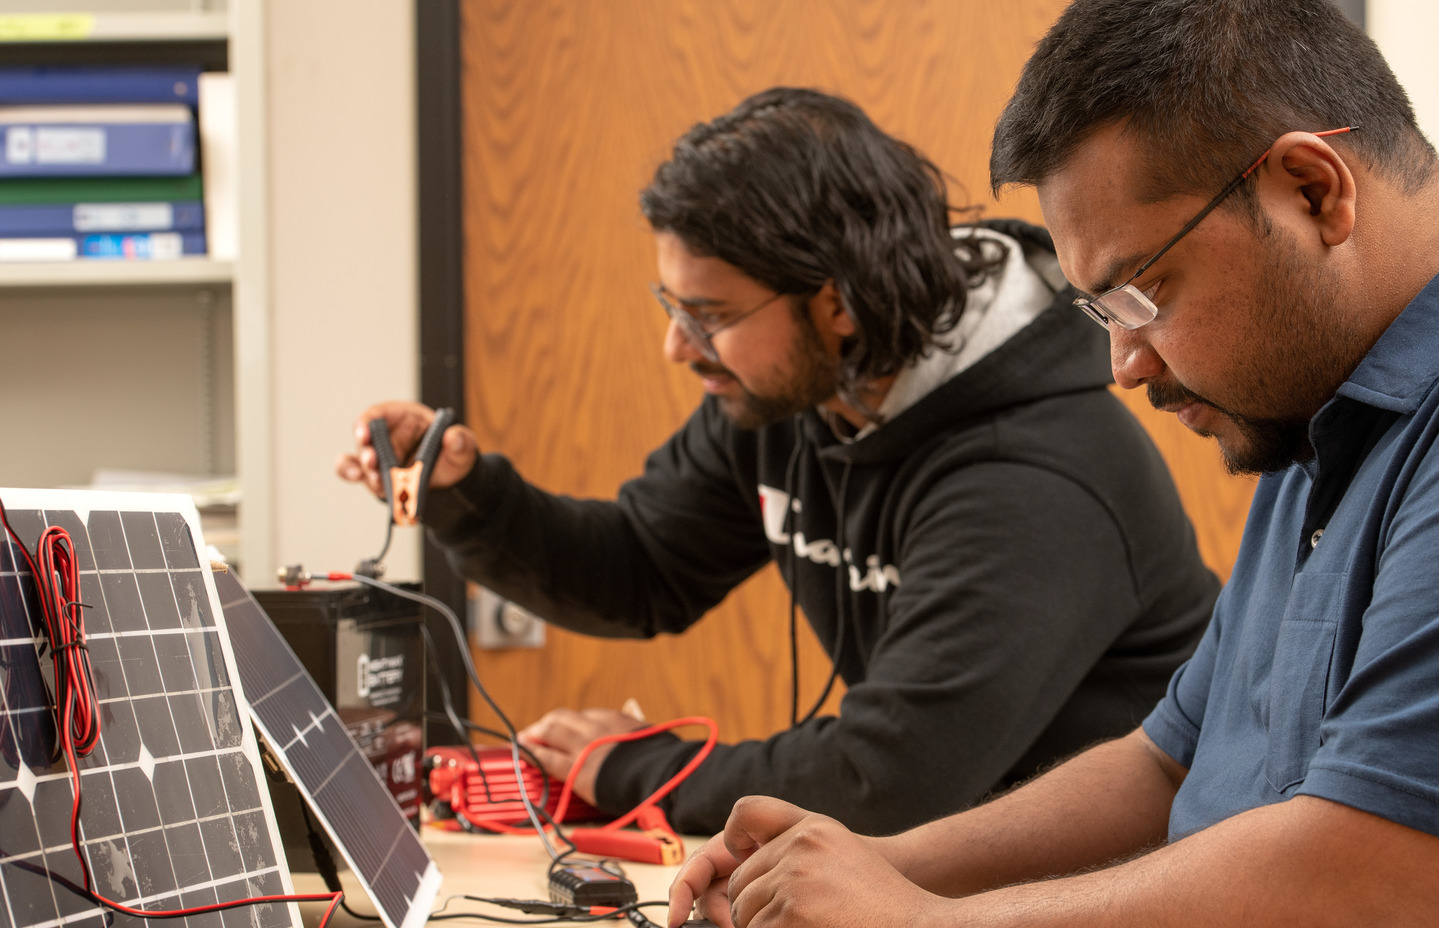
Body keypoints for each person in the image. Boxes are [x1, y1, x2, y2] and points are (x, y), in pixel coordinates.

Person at [667, 3, 1439, 928]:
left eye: (1143, 292)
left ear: (1312, 189)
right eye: (1103, 315)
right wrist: (875, 861)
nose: (1127, 365)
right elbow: (1167, 760)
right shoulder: (1334, 398)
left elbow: (1366, 904)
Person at [338, 87, 1220, 837]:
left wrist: (636, 770)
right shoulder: (797, 395)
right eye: (671, 305)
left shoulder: (1035, 478)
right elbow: (640, 569)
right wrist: (469, 494)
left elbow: (885, 781)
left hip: (1112, 909)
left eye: (709, 314)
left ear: (835, 304)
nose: (678, 348)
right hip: (961, 879)